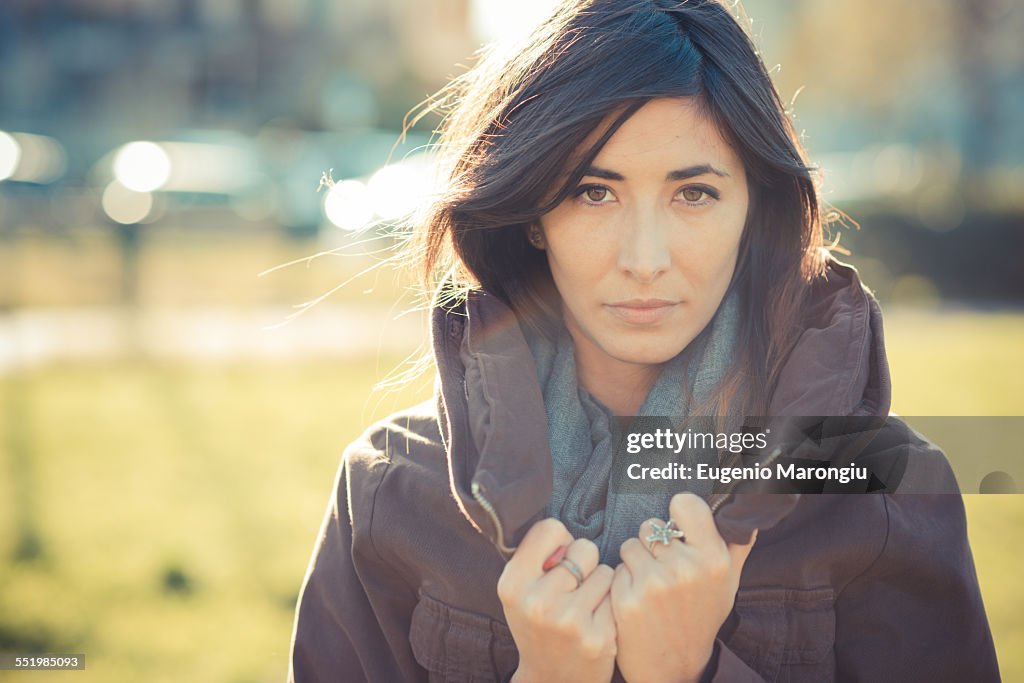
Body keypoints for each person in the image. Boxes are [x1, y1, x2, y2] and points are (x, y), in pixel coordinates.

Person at [288, 1, 1000, 681]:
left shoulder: (887, 488)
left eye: (694, 194)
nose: (645, 257)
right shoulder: (390, 490)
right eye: (593, 192)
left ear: (756, 210)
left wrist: (692, 670)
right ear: (532, 213)